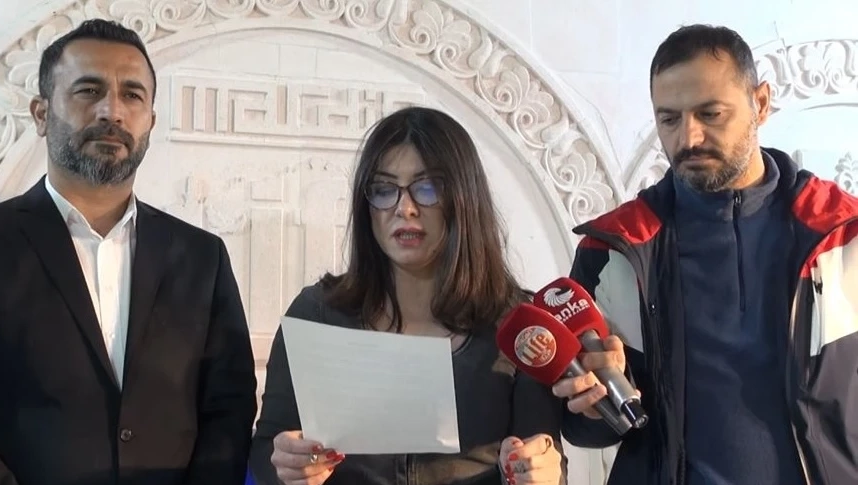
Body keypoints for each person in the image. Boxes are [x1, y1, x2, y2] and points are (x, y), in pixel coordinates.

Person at [0, 19, 258, 485]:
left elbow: (229, 410)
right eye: (88, 90)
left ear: (150, 121)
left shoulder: (202, 258)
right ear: (40, 113)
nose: (112, 111)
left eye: (132, 95)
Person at [552, 23, 858, 485]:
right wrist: (595, 406)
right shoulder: (613, 249)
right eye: (669, 119)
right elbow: (582, 427)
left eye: (710, 113)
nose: (689, 138)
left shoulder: (843, 236)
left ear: (761, 103)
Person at [249, 106, 566, 485]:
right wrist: (286, 465)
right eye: (384, 190)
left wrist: (541, 471)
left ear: (463, 199)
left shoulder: (520, 325)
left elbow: (547, 461)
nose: (405, 208)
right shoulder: (316, 313)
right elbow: (267, 450)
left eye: (427, 187)